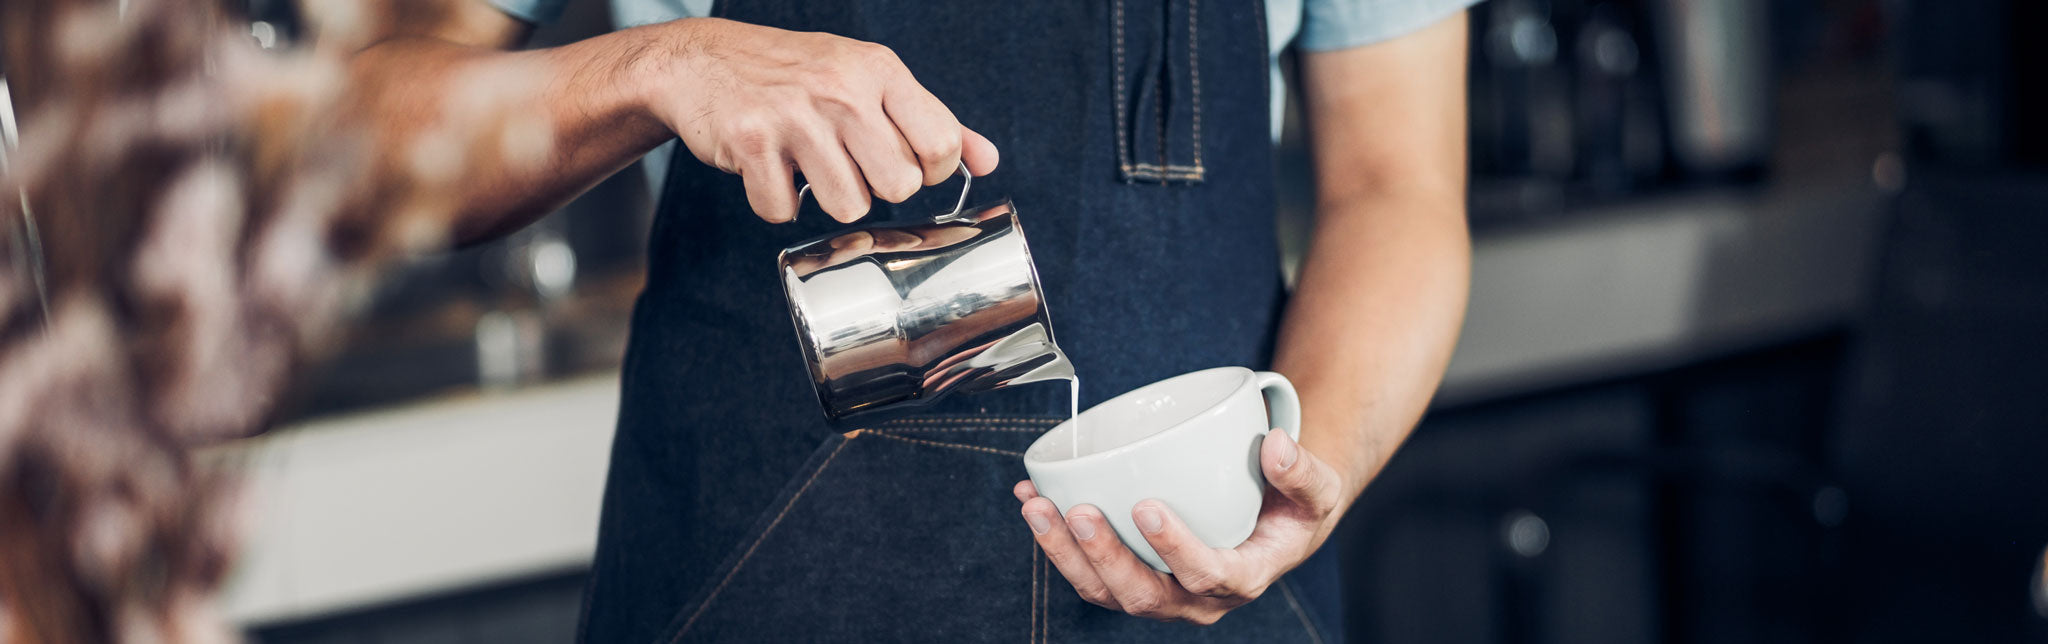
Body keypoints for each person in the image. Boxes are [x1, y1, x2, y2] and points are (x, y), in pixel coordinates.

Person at [345, 0, 1473, 639]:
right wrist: (656, 65)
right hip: (765, 589)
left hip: (1212, 608)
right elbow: (358, 135)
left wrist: (1299, 462)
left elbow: (1398, 192)